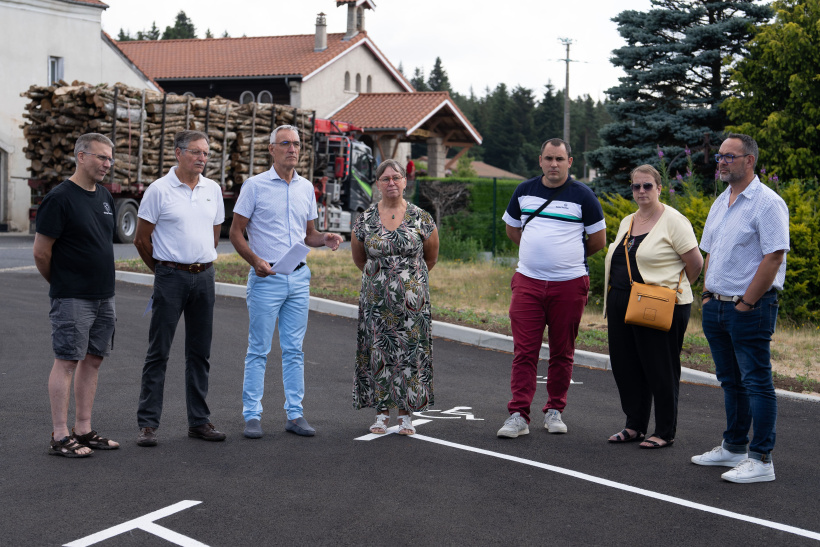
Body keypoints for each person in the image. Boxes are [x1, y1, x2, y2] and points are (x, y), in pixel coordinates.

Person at [231, 124, 343, 439]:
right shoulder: (254, 186)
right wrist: (255, 261)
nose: (292, 149)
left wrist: (326, 238)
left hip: (299, 278)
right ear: (272, 149)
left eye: (296, 144)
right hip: (266, 279)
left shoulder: (306, 188)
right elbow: (235, 232)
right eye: (285, 143)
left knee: (294, 350)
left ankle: (295, 414)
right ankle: (252, 416)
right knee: (258, 350)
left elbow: (310, 235)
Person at [691, 133, 789, 483]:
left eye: (729, 157)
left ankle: (762, 459)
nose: (721, 162)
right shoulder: (722, 201)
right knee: (731, 381)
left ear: (750, 160)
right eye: (719, 156)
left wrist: (746, 302)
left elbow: (774, 255)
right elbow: (710, 251)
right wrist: (705, 294)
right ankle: (733, 447)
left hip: (749, 307)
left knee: (756, 382)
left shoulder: (767, 202)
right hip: (716, 306)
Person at [497, 138, 606, 438]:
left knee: (562, 351)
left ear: (570, 162)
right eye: (548, 158)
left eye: (560, 159)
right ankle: (518, 414)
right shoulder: (524, 191)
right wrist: (537, 254)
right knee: (524, 351)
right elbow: (512, 228)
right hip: (528, 282)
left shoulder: (584, 195)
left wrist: (563, 260)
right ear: (540, 160)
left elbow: (597, 241)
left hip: (569, 286)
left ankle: (555, 410)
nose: (554, 164)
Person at [134, 130, 226, 447]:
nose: (202, 158)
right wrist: (163, 270)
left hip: (204, 277)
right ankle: (147, 425)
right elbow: (141, 239)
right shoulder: (159, 190)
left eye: (206, 153)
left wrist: (196, 262)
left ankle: (199, 422)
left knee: (200, 353)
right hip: (170, 277)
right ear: (178, 153)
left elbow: (213, 236)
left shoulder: (213, 189)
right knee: (158, 352)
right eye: (196, 152)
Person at [603, 165, 703, 449]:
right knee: (626, 367)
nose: (641, 191)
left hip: (658, 304)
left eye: (647, 186)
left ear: (659, 188)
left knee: (660, 368)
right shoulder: (627, 220)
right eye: (636, 186)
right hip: (623, 301)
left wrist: (674, 290)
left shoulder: (674, 221)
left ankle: (664, 431)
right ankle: (634, 425)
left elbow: (695, 263)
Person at [33, 132, 120, 457]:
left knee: (93, 360)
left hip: (104, 296)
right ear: (81, 156)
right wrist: (62, 284)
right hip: (72, 297)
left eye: (109, 158)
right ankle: (60, 435)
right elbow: (42, 253)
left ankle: (83, 429)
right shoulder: (59, 198)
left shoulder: (105, 197)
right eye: (101, 157)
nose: (107, 164)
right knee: (68, 361)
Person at [351, 159, 439, 435]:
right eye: (385, 178)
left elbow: (431, 257)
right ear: (377, 184)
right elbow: (359, 258)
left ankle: (405, 416)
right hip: (376, 305)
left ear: (404, 182)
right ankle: (381, 415)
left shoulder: (421, 217)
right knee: (379, 354)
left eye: (396, 177)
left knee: (410, 356)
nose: (391, 182)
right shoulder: (364, 219)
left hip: (412, 305)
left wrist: (407, 282)